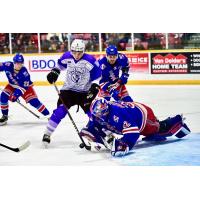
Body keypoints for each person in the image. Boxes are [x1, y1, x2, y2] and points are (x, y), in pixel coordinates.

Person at [80, 98, 191, 157]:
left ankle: (176, 121)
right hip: (131, 111)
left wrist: (125, 145)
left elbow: (134, 133)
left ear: (107, 109)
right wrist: (90, 133)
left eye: (101, 113)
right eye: (96, 114)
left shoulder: (118, 114)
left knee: (155, 129)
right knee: (98, 125)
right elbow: (93, 124)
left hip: (142, 115)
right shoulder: (97, 113)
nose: (98, 116)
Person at [42, 39, 101, 146]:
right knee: (60, 111)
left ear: (84, 51)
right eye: (74, 52)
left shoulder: (90, 60)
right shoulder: (66, 56)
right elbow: (59, 65)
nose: (77, 55)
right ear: (71, 50)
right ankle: (47, 134)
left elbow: (97, 76)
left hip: (85, 93)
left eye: (79, 52)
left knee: (93, 113)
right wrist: (55, 71)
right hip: (68, 91)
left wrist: (94, 87)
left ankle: (104, 133)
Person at [0, 53, 50, 125]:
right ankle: (5, 116)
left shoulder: (24, 73)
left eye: (20, 63)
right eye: (17, 63)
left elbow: (23, 87)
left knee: (34, 102)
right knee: (3, 96)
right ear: (14, 62)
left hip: (24, 87)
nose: (19, 65)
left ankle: (49, 115)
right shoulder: (7, 65)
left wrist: (15, 95)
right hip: (12, 85)